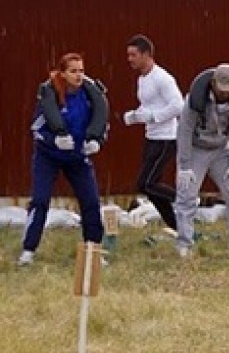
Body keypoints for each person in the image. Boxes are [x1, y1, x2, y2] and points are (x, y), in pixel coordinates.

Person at [18, 52, 109, 266]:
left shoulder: (90, 95)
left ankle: (93, 249)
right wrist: (54, 140)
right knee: (40, 201)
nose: (78, 75)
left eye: (81, 71)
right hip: (48, 156)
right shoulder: (49, 95)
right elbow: (36, 128)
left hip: (77, 156)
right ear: (63, 73)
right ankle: (28, 250)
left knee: (91, 202)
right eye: (73, 71)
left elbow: (102, 124)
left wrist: (97, 142)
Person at [174, 63, 229, 257]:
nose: (226, 94)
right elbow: (184, 130)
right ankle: (184, 242)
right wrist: (184, 165)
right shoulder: (195, 100)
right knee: (187, 195)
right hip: (196, 149)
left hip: (222, 150)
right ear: (213, 84)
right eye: (222, 89)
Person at [123, 34, 183, 231]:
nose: (129, 59)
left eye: (133, 55)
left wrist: (153, 117)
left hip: (166, 138)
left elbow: (178, 105)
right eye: (128, 55)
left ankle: (185, 199)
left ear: (146, 54)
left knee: (146, 183)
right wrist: (135, 116)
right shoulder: (142, 79)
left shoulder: (162, 78)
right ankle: (177, 227)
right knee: (149, 187)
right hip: (152, 137)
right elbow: (148, 106)